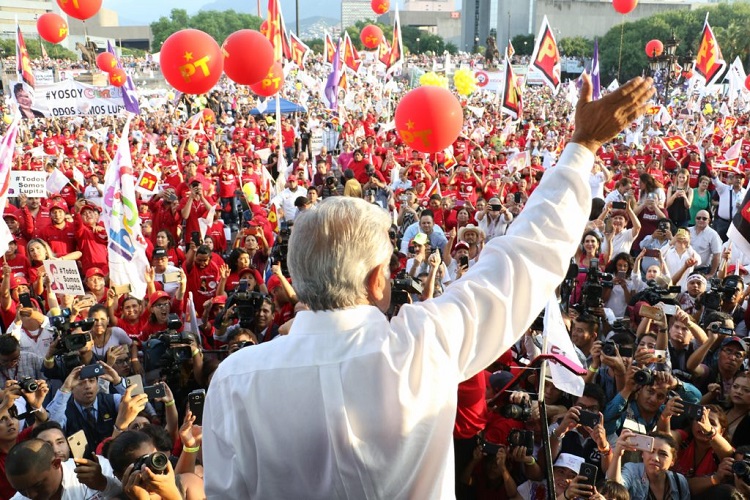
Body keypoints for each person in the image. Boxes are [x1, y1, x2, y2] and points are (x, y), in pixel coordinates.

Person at [202, 75, 656, 497]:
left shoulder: (237, 378)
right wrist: (582, 146)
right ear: (377, 279)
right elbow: (525, 257)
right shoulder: (423, 344)